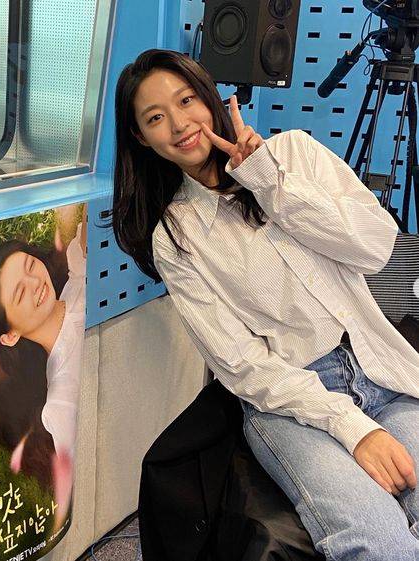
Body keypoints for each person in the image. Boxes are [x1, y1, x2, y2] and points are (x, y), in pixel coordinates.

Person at [110, 48, 419, 561]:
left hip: (382, 367)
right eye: (156, 118)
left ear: (209, 99)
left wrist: (268, 181)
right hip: (289, 400)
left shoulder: (295, 155)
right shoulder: (177, 236)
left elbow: (374, 246)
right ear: (141, 138)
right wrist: (353, 427)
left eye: (186, 101)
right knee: (381, 543)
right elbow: (242, 364)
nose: (180, 125)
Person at [0, 213, 86, 489]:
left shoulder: (78, 268)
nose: (35, 282)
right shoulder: (61, 397)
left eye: (30, 265)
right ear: (10, 336)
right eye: (20, 293)